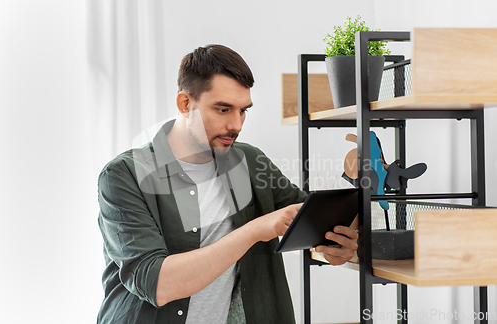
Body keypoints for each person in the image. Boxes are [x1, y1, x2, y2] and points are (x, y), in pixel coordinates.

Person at [97, 44, 359, 324]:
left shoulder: (250, 162)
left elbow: (312, 219)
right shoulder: (124, 175)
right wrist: (256, 230)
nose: (237, 125)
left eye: (243, 111)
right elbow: (159, 285)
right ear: (186, 104)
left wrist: (337, 242)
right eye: (223, 109)